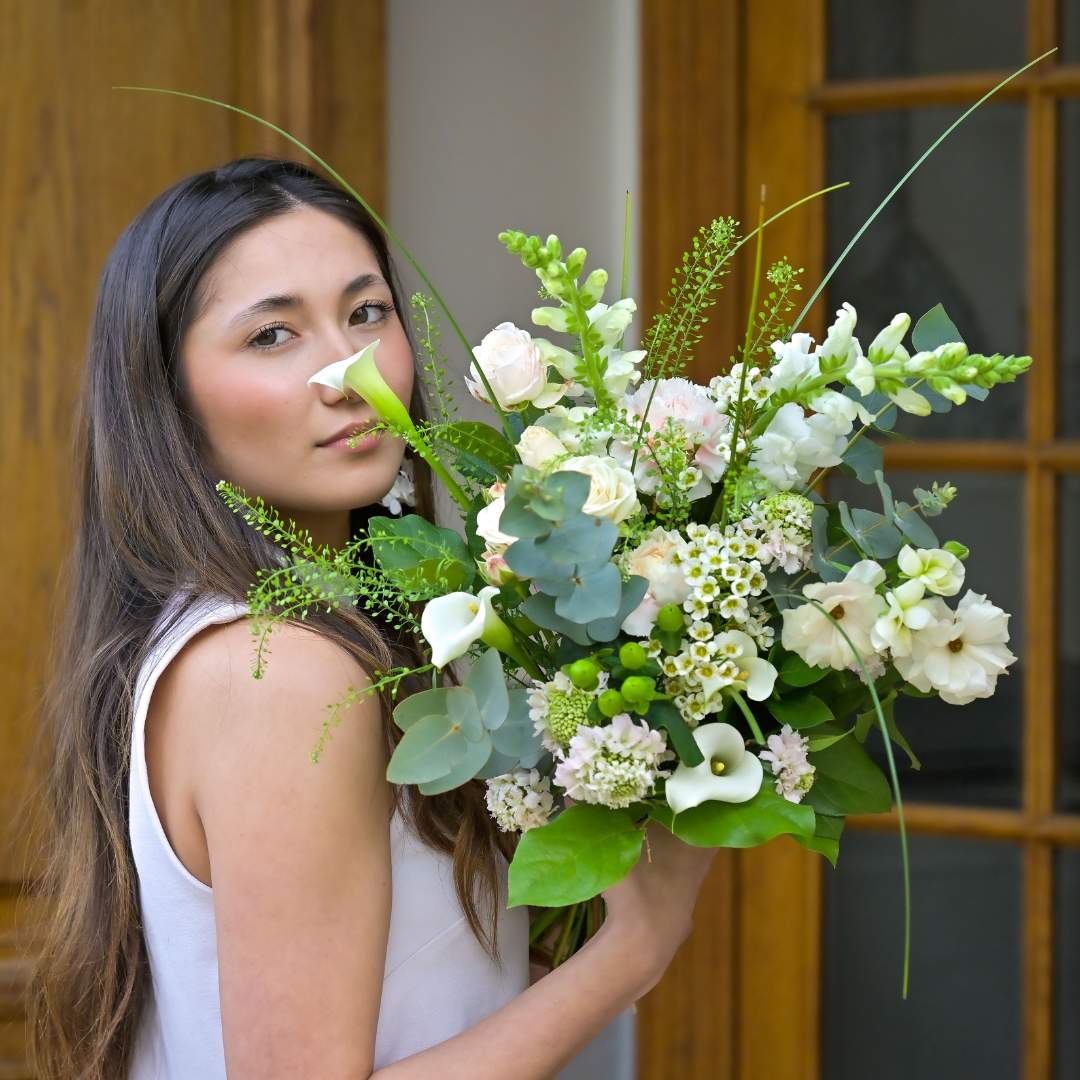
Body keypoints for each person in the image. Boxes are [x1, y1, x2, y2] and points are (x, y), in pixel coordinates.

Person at [25, 157, 718, 1079]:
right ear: (168, 397)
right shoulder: (278, 669)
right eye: (272, 334)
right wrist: (633, 952)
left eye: (366, 313)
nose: (346, 371)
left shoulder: (322, 634)